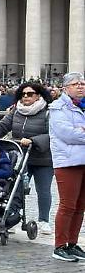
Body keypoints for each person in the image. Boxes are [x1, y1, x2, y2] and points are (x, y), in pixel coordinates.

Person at [0, 82, 53, 233]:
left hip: (43, 157)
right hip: (21, 155)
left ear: (38, 95)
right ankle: (12, 217)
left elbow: (53, 134)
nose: (26, 97)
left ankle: (44, 220)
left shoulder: (48, 111)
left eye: (30, 94)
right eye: (23, 94)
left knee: (43, 190)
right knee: (16, 188)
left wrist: (34, 140)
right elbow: (2, 125)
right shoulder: (17, 111)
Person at [49, 72, 85, 262]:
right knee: (67, 205)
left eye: (82, 83)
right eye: (75, 84)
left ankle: (72, 243)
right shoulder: (58, 107)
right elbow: (68, 135)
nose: (80, 86)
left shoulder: (82, 106)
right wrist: (79, 132)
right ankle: (60, 245)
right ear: (65, 88)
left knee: (80, 206)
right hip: (68, 162)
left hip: (83, 160)